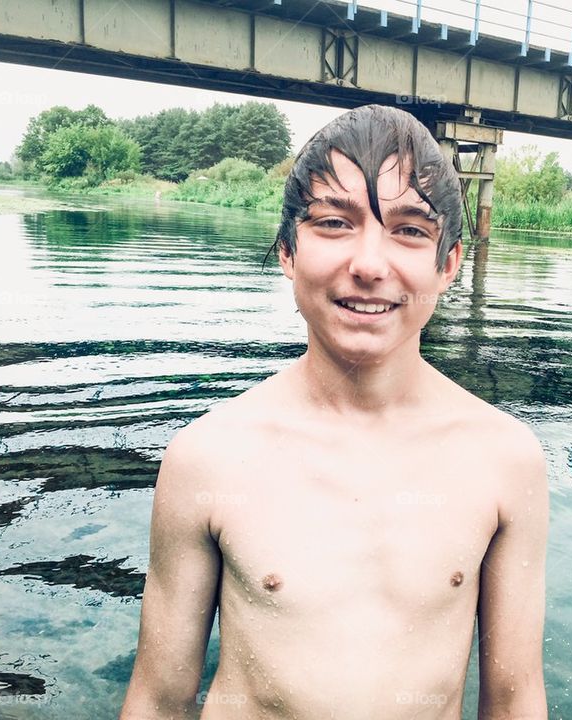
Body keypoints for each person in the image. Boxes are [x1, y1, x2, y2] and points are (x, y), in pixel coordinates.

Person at [119, 104, 549, 720]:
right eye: (333, 222)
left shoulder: (504, 459)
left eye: (409, 230)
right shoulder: (209, 456)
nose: (370, 265)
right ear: (288, 251)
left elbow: (513, 700)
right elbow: (159, 698)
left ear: (448, 264)